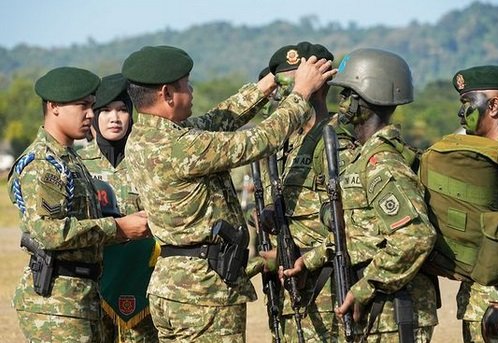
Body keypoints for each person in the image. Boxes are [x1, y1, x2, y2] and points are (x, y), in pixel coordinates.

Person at [120, 45, 336, 342]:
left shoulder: (147, 137)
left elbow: (217, 121)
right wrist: (300, 93)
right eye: (186, 84)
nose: (192, 90)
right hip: (204, 291)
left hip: (174, 287)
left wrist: (268, 84)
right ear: (167, 94)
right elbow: (259, 140)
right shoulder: (179, 147)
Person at [283, 48, 438, 342]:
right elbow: (360, 232)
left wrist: (366, 286)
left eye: (345, 95)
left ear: (361, 100)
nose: (339, 103)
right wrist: (312, 259)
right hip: (378, 312)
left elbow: (416, 237)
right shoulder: (364, 159)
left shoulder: (383, 165)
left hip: (394, 313)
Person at [7, 66, 150, 342]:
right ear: (55, 106)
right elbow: (49, 233)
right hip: (57, 305)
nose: (90, 114)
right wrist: (117, 228)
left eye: (91, 106)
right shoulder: (43, 163)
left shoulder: (69, 159)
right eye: (83, 106)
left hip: (79, 297)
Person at [260, 41, 357, 342]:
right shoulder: (279, 145)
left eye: (300, 81)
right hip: (289, 294)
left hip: (330, 292)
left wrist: (309, 258)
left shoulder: (339, 140)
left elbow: (356, 224)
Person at [79, 73, 159, 342]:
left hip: (143, 280)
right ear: (94, 116)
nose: (115, 118)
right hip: (95, 283)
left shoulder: (147, 159)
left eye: (122, 110)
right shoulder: (78, 165)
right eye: (106, 111)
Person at [451, 65, 498, 343]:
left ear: (494, 106)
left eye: (468, 103)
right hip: (477, 303)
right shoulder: (473, 156)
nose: (462, 113)